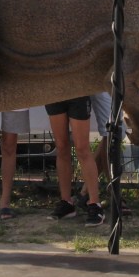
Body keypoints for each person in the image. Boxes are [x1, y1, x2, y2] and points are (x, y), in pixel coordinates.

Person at [44, 96, 104, 225]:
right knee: (61, 147)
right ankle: (66, 203)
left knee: (82, 148)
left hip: (78, 91)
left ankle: (95, 203)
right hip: (53, 91)